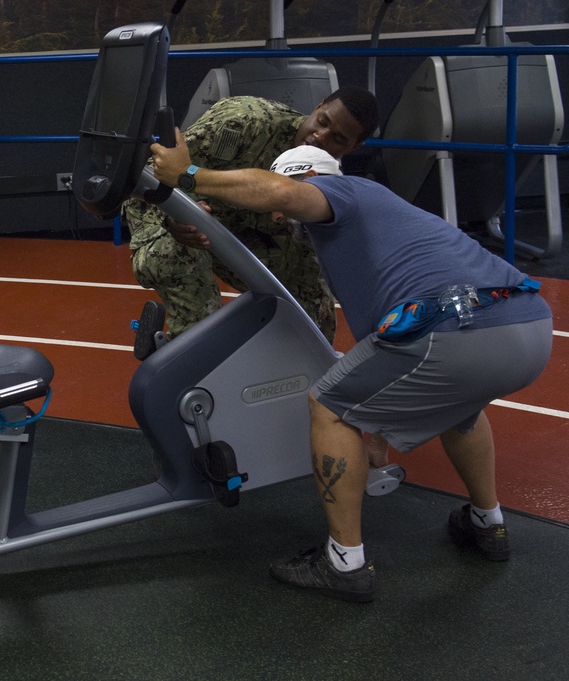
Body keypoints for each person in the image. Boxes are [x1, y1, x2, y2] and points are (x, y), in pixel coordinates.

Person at [149, 138, 553, 602]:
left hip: (452, 329)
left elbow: (283, 195)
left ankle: (344, 563)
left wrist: (189, 175)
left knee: (330, 405)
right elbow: (384, 353)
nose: (279, 220)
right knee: (458, 410)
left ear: (310, 180)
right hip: (526, 326)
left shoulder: (345, 192)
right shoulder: (381, 231)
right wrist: (378, 426)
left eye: (286, 202)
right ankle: (488, 524)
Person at [123, 86, 379, 348]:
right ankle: (183, 363)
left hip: (237, 233)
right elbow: (147, 178)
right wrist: (172, 218)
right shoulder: (243, 122)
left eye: (337, 139)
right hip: (175, 226)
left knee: (311, 293)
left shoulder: (326, 172)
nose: (319, 137)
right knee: (185, 280)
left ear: (354, 146)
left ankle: (302, 373)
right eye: (322, 122)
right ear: (318, 105)